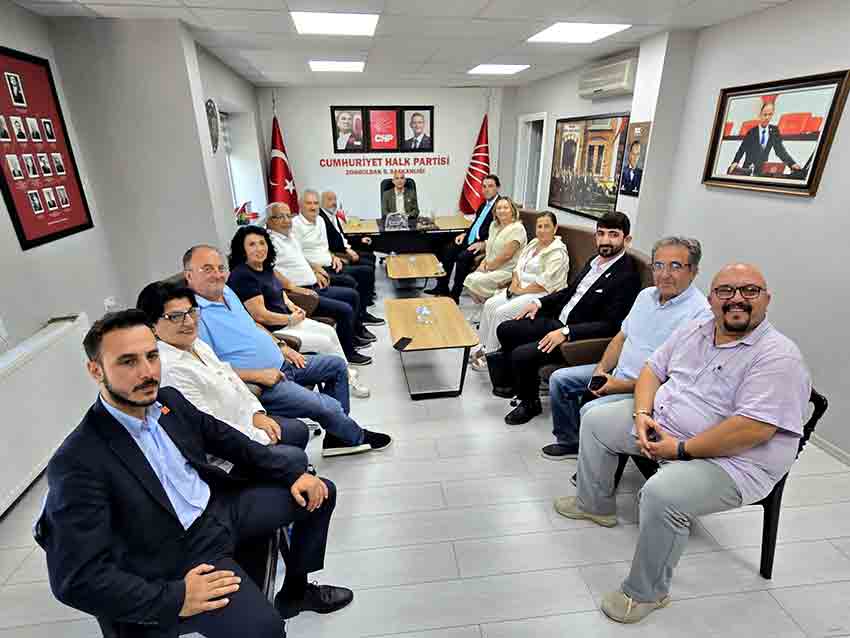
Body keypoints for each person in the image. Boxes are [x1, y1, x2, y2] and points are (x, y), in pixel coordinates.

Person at [40, 310, 353, 638]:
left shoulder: (168, 402)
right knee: (265, 631)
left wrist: (291, 473)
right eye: (128, 362)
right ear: (96, 370)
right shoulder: (78, 459)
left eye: (151, 356)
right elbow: (75, 578)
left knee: (320, 492)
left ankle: (295, 593)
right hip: (175, 548)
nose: (147, 372)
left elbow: (228, 440)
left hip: (219, 509)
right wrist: (173, 598)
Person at [554, 263, 811, 624]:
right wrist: (642, 414)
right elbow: (652, 370)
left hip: (734, 462)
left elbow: (751, 430)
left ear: (767, 299)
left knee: (662, 494)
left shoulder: (778, 356)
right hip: (664, 424)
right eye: (725, 291)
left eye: (749, 291)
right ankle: (594, 505)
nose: (737, 298)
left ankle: (646, 593)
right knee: (596, 420)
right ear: (712, 299)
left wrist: (679, 449)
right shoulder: (697, 328)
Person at [184, 244, 391, 457]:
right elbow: (210, 370)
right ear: (189, 275)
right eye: (207, 269)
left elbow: (254, 325)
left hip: (283, 363)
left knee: (336, 365)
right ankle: (355, 436)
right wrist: (258, 375)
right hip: (263, 383)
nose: (217, 274)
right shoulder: (194, 316)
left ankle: (337, 437)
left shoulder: (226, 292)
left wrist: (281, 346)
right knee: (328, 406)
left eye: (220, 268)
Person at [541, 237, 712, 459]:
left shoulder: (700, 315)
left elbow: (675, 381)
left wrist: (619, 386)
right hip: (617, 374)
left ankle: (598, 459)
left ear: (694, 271)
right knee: (559, 380)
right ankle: (570, 442)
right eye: (659, 265)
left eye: (676, 266)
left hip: (646, 392)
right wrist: (601, 369)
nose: (665, 274)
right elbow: (621, 338)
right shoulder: (645, 296)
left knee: (590, 412)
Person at [495, 211, 643, 425]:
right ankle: (522, 383)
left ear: (626, 239)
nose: (605, 240)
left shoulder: (627, 276)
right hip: (558, 320)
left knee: (522, 355)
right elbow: (569, 292)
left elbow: (611, 326)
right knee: (506, 329)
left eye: (613, 235)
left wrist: (566, 332)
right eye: (601, 234)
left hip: (576, 337)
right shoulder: (594, 261)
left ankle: (530, 403)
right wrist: (539, 303)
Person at [137, 282, 312, 451]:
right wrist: (262, 438)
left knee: (298, 431)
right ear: (152, 327)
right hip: (229, 449)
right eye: (175, 316)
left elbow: (232, 379)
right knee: (294, 449)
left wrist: (256, 414)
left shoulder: (196, 344)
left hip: (245, 421)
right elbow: (210, 427)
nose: (189, 322)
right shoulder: (168, 369)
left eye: (191, 311)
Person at [265, 203, 377, 349]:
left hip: (314, 284)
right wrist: (294, 288)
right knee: (345, 308)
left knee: (353, 294)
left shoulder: (289, 236)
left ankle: (355, 334)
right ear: (270, 220)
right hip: (301, 293)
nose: (287, 220)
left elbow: (301, 258)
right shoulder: (269, 242)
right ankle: (349, 350)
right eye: (281, 217)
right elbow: (271, 271)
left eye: (289, 215)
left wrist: (315, 269)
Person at [470, 211, 568, 372]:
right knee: (490, 304)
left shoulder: (558, 252)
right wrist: (515, 284)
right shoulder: (533, 244)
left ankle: (492, 357)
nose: (542, 230)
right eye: (539, 226)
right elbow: (518, 266)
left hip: (539, 294)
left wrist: (521, 291)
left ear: (555, 228)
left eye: (547, 226)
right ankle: (482, 346)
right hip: (520, 288)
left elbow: (547, 282)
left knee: (501, 313)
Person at [294, 190, 384, 326]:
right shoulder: (295, 225)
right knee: (351, 281)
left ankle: (362, 314)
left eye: (315, 203)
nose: (313, 207)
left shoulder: (320, 220)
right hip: (318, 270)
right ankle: (357, 322)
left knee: (365, 271)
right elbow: (297, 255)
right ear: (300, 205)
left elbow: (324, 246)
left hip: (332, 263)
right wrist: (314, 269)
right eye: (309, 203)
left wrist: (333, 257)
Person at [426, 174, 500, 300]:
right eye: (484, 186)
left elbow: (500, 231)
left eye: (490, 186)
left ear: (497, 188)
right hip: (470, 238)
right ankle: (442, 287)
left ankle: (455, 295)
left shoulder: (501, 206)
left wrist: (484, 243)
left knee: (462, 257)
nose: (487, 190)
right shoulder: (483, 205)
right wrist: (465, 234)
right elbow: (476, 224)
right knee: (447, 250)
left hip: (481, 243)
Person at [463, 196, 527, 303]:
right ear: (495, 211)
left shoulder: (517, 229)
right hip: (490, 266)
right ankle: (485, 306)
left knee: (475, 281)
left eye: (505, 208)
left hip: (507, 271)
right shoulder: (494, 225)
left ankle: (488, 306)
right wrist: (482, 265)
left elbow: (507, 255)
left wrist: (488, 267)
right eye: (499, 208)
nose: (502, 211)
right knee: (469, 279)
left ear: (512, 211)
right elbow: (489, 249)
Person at [729, 102, 801, 176]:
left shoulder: (774, 130)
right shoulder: (751, 132)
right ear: (760, 115)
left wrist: (792, 164)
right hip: (748, 170)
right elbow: (741, 149)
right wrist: (735, 162)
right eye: (765, 114)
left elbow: (780, 151)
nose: (767, 117)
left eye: (770, 114)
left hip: (762, 171)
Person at [320, 190, 376, 271]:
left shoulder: (333, 214)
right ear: (322, 202)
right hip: (338, 253)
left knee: (371, 256)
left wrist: (359, 240)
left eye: (335, 199)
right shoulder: (320, 218)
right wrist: (346, 250)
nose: (334, 202)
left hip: (345, 247)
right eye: (330, 199)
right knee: (368, 266)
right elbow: (330, 244)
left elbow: (342, 237)